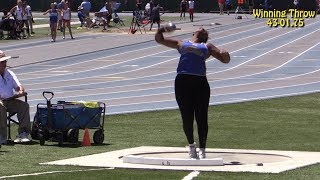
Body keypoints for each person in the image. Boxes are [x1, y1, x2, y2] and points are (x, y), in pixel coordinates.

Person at [155, 26, 230, 159]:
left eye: (204, 29)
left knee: (202, 117)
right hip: (182, 81)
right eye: (200, 27)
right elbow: (159, 40)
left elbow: (225, 60)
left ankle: (202, 149)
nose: (202, 28)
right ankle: (191, 146)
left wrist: (226, 55)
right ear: (194, 33)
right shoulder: (181, 43)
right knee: (187, 117)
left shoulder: (207, 46)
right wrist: (160, 30)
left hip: (200, 82)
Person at [0, 50, 31, 144]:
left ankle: (23, 133)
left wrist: (20, 91)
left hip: (9, 101)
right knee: (0, 106)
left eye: (5, 61)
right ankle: (2, 136)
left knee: (24, 105)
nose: (4, 63)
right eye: (2, 62)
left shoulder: (9, 73)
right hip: (0, 102)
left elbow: (18, 86)